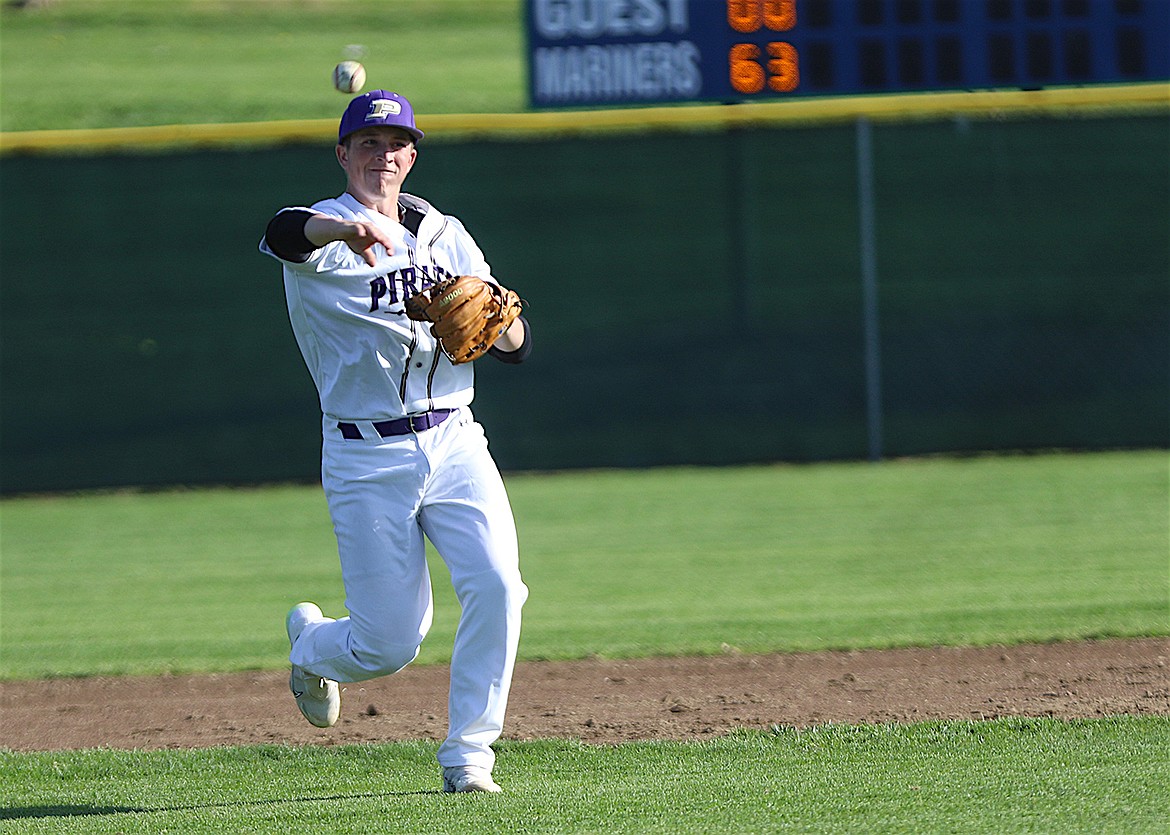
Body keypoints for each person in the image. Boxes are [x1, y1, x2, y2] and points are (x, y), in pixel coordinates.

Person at [259, 90, 531, 794]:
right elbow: (282, 230)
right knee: (389, 644)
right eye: (368, 144)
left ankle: (469, 756)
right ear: (344, 154)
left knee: (500, 586)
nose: (383, 155)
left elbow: (513, 343)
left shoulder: (446, 233)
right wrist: (339, 232)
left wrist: (495, 316)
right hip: (364, 453)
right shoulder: (323, 234)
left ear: (412, 156)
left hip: (455, 438)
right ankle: (312, 644)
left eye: (396, 144)